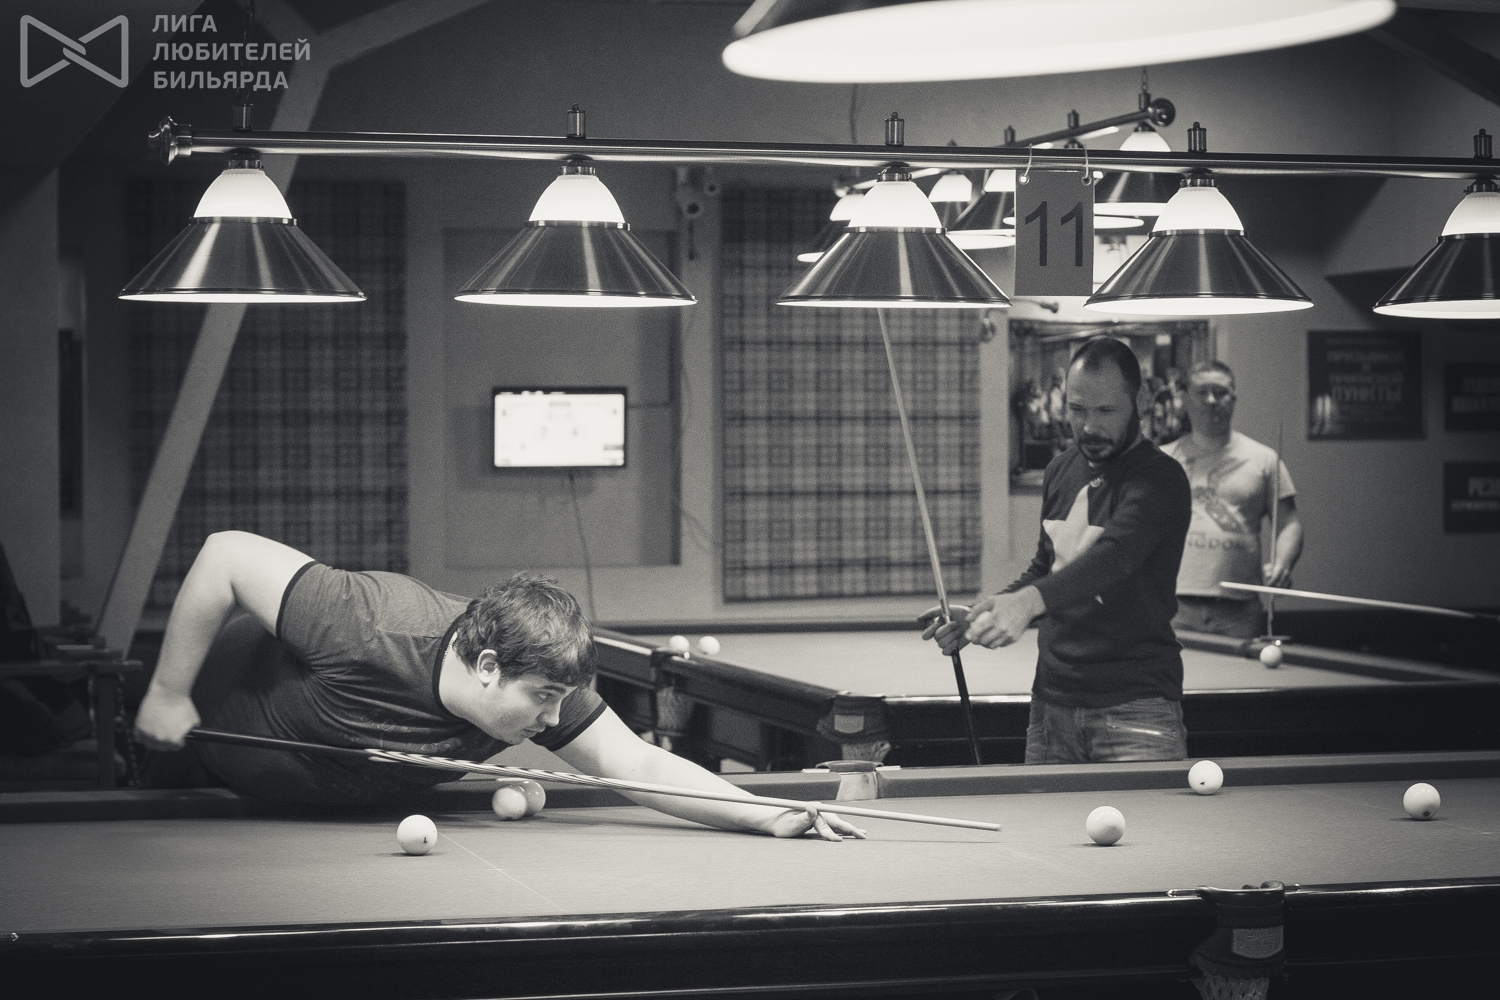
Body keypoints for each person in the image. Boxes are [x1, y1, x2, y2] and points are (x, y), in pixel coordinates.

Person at [134, 530, 862, 840]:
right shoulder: (369, 622)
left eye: (558, 701)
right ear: (487, 666)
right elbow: (225, 554)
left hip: (318, 803)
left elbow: (636, 762)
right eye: (542, 698)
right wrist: (168, 693)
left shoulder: (542, 687)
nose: (551, 721)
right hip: (197, 760)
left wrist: (767, 816)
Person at [922, 337, 1192, 764]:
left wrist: (1028, 603)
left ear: (1139, 401)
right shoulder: (1061, 470)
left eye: (1106, 411)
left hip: (1136, 708)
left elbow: (1116, 556)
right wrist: (986, 612)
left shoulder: (1160, 478)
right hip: (1051, 707)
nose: (1089, 426)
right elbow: (1047, 568)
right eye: (1077, 409)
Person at [1164, 361, 1303, 640]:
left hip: (1240, 610)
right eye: (1202, 392)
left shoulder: (1264, 459)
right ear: (1186, 399)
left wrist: (1282, 564)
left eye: (1221, 392)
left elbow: (1289, 523)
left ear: (1234, 398)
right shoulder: (1162, 460)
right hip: (1173, 605)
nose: (1211, 400)